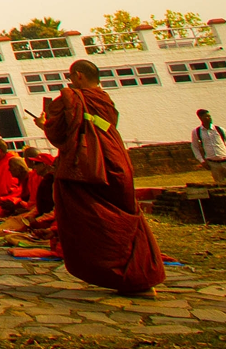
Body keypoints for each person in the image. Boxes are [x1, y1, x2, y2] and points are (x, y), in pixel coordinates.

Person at [42, 59, 166, 295]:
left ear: (78, 76)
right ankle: (142, 274)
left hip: (89, 166)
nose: (69, 82)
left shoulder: (73, 98)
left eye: (71, 77)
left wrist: (44, 124)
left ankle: (126, 276)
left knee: (96, 219)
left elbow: (59, 132)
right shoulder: (105, 100)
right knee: (127, 215)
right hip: (116, 158)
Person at [191, 109, 226, 185]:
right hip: (213, 164)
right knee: (219, 185)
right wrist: (202, 161)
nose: (209, 118)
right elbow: (195, 147)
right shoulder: (197, 132)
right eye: (206, 116)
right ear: (200, 118)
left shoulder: (220, 129)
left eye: (209, 116)